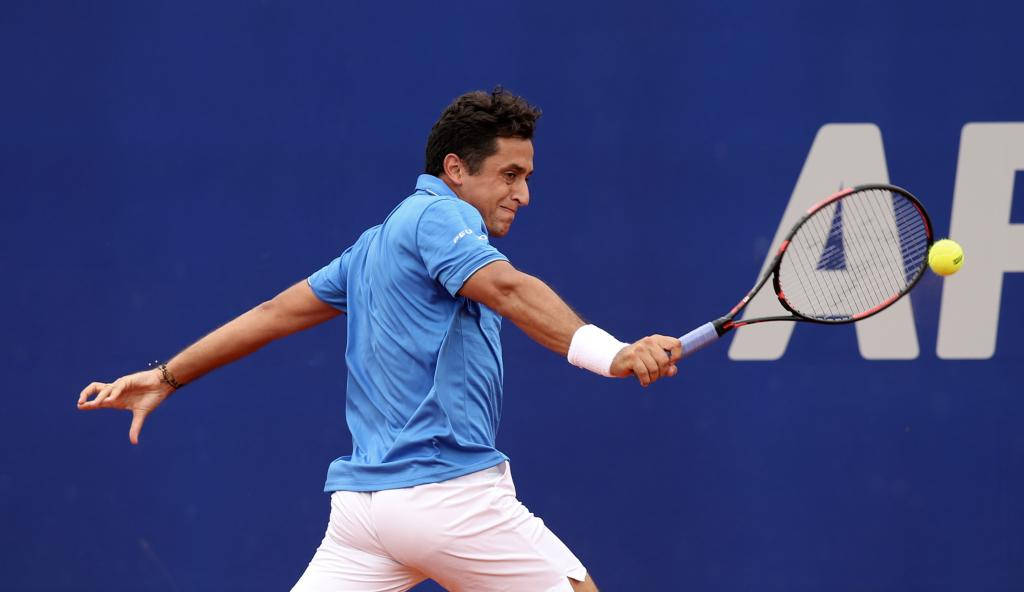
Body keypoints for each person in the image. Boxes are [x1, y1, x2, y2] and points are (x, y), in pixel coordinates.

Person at [78, 87, 682, 592]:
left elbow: (270, 314)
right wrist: (614, 353)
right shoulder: (439, 216)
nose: (523, 194)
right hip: (447, 499)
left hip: (366, 517)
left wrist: (165, 376)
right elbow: (509, 289)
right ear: (454, 170)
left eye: (525, 176)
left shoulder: (373, 246)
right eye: (510, 174)